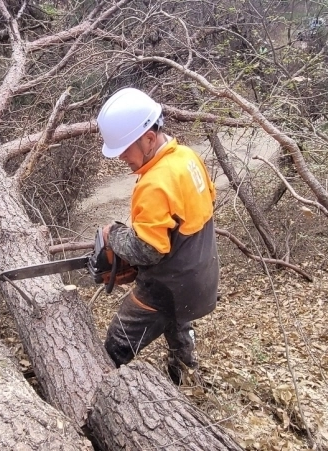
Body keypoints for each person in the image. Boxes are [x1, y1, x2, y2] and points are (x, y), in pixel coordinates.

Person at [95, 87, 220, 385]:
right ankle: (186, 375)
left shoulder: (155, 182)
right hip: (199, 275)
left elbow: (148, 250)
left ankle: (99, 392)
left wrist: (115, 235)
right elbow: (202, 206)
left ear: (149, 139)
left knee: (116, 344)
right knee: (177, 323)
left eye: (125, 149)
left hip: (166, 287)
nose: (121, 157)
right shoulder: (187, 157)